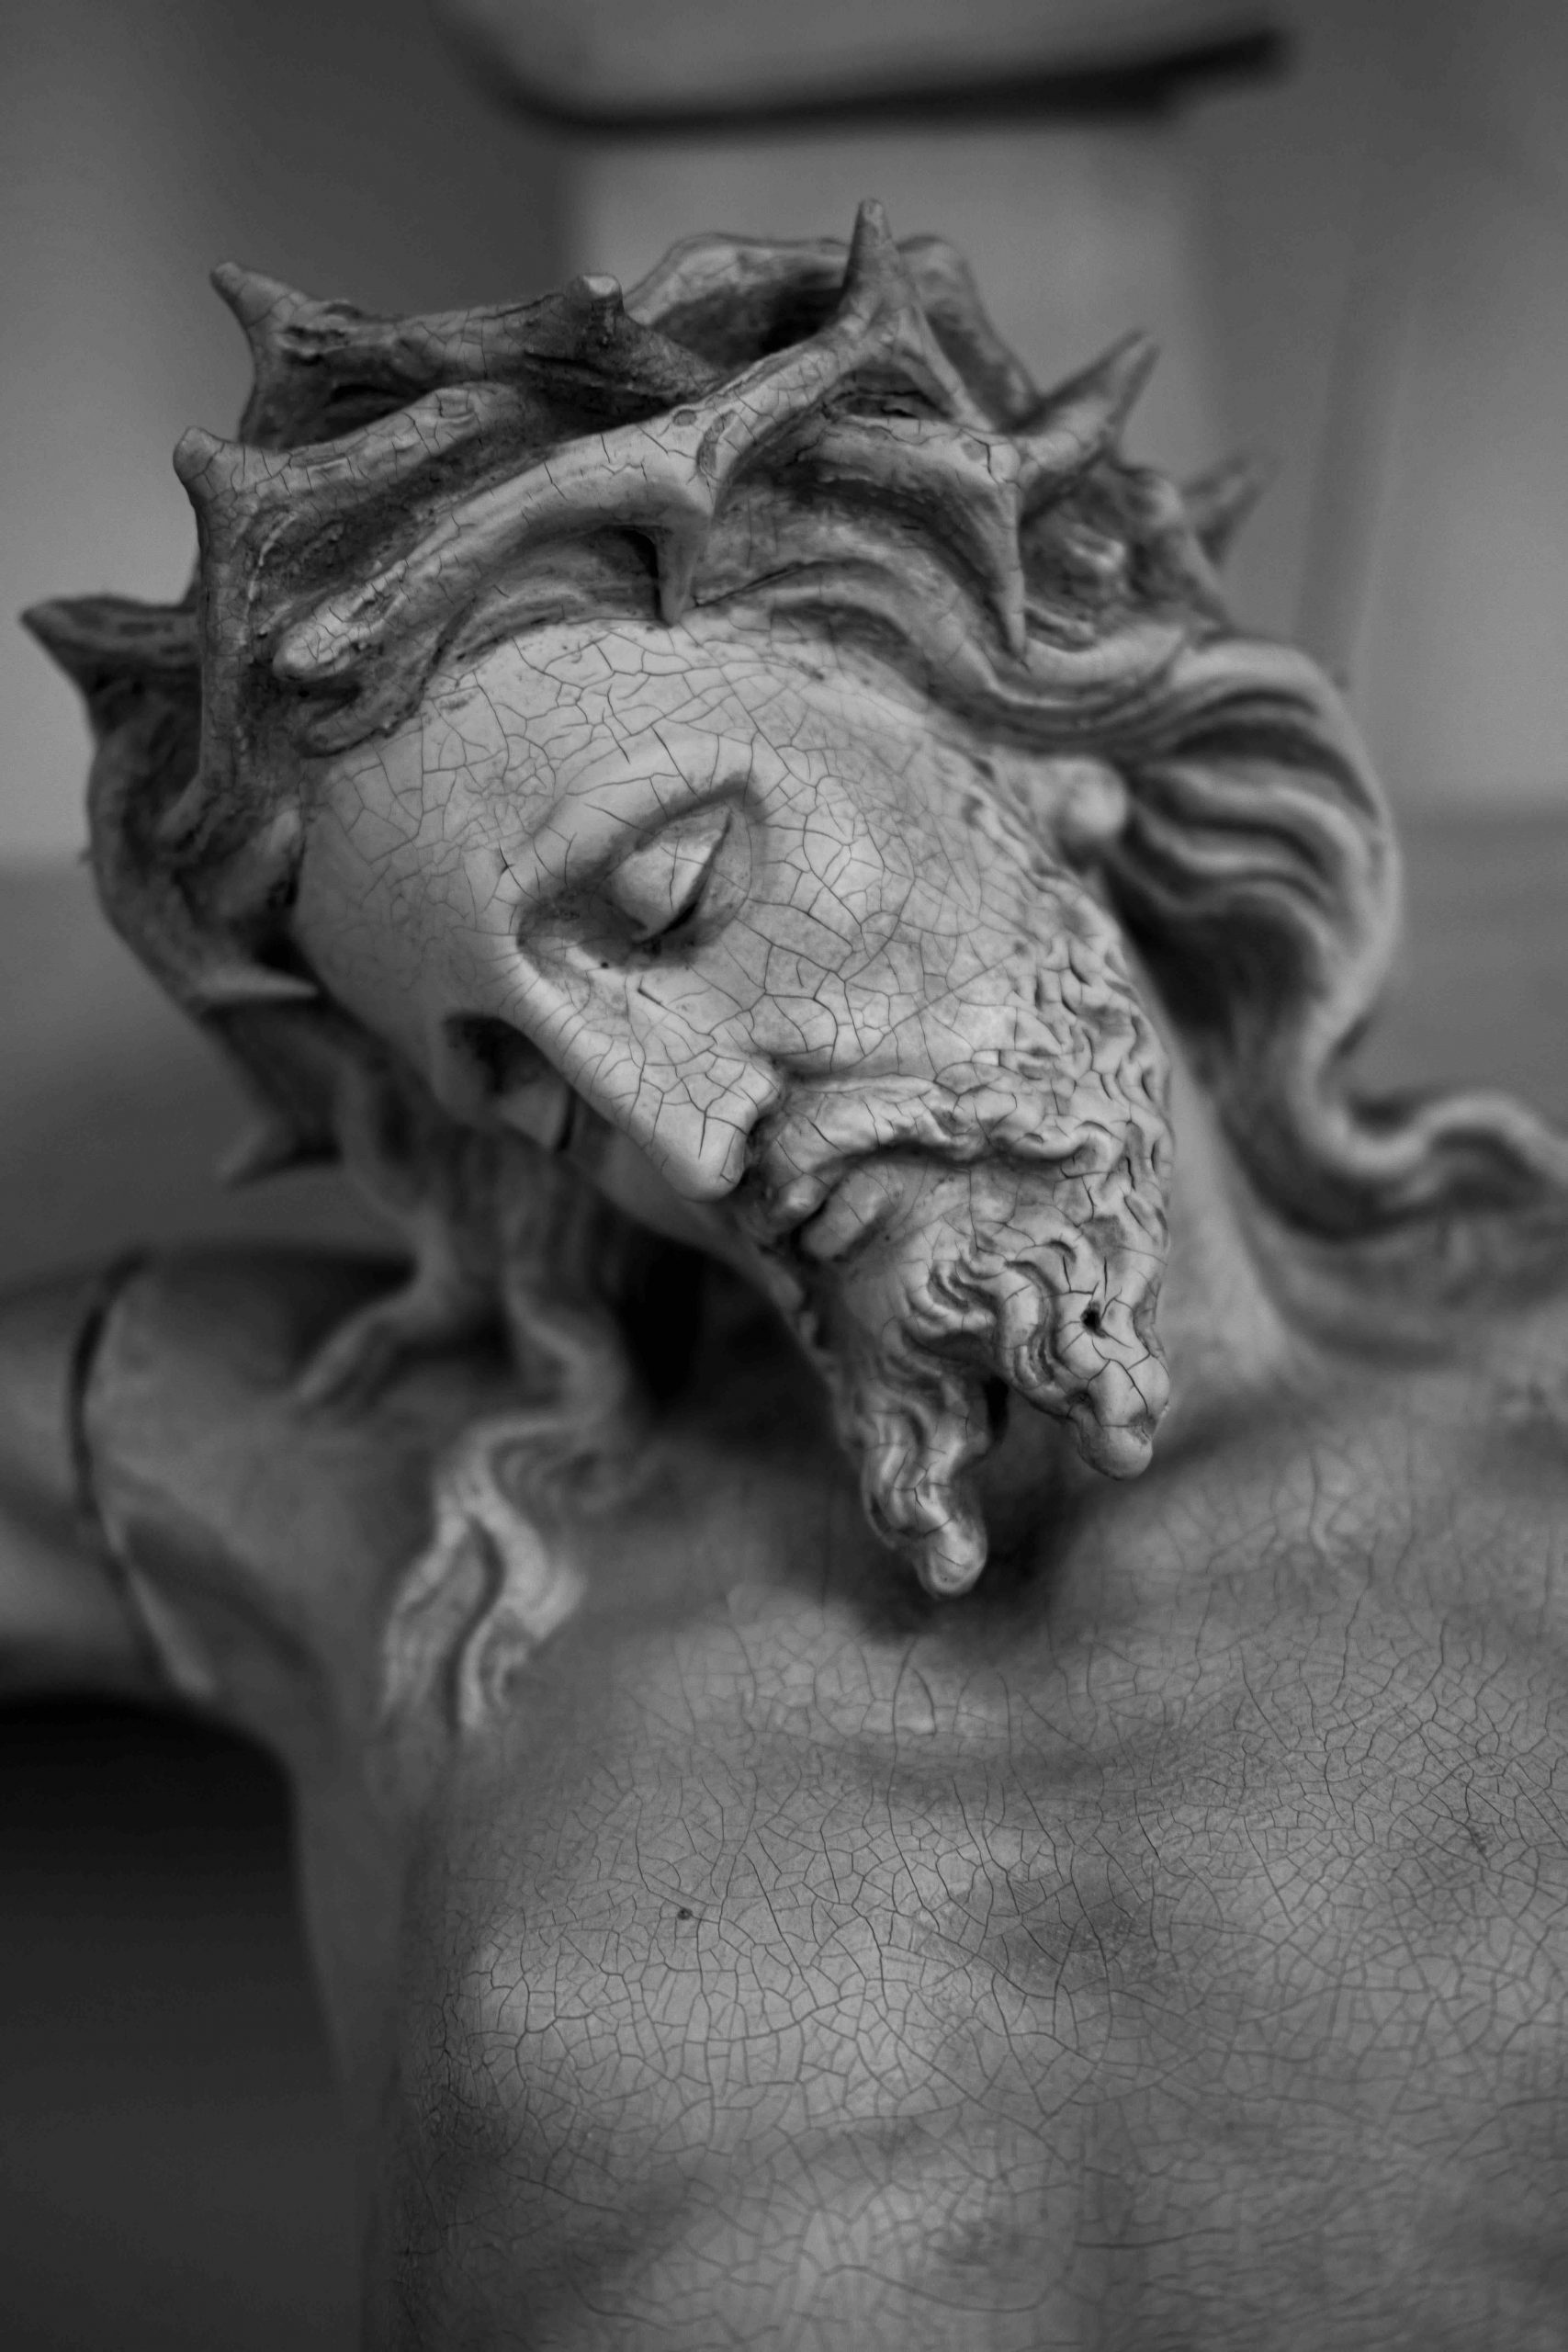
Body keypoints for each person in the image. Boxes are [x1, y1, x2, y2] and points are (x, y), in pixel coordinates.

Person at [6, 202, 1568, 2347]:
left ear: (1018, 735)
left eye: (668, 898)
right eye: (517, 1087)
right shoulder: (419, 1534)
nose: (676, 1130)